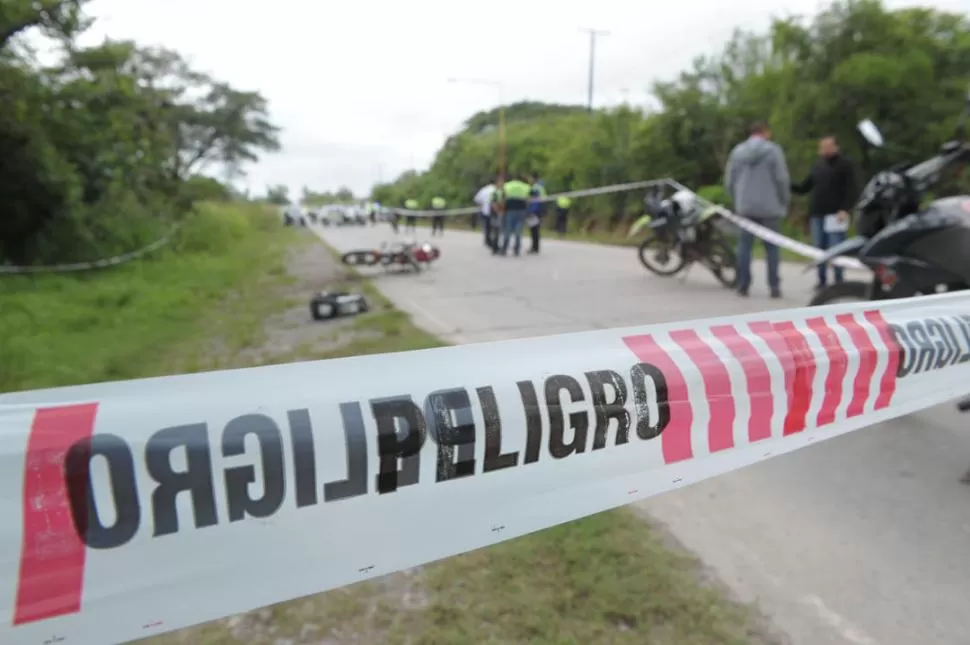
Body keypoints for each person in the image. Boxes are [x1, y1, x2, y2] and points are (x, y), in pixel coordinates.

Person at [725, 121, 791, 299]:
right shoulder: (773, 151)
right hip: (770, 207)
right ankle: (774, 286)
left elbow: (729, 181)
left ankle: (743, 285)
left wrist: (737, 201)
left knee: (744, 247)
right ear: (765, 132)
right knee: (772, 248)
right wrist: (784, 202)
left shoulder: (737, 152)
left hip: (745, 207)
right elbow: (782, 179)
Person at [792, 136, 857, 290]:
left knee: (836, 248)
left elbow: (852, 189)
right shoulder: (818, 166)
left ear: (836, 147)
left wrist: (845, 209)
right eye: (822, 147)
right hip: (817, 214)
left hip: (836, 214)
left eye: (828, 147)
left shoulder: (845, 165)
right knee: (818, 248)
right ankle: (821, 281)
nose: (825, 150)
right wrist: (786, 184)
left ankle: (839, 281)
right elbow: (804, 187)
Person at [495, 173, 531, 257]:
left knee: (508, 230)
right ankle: (517, 250)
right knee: (519, 231)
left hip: (510, 210)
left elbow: (502, 197)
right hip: (522, 210)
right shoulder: (525, 186)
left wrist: (501, 208)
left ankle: (504, 249)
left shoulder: (507, 186)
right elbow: (529, 199)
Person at [527, 172, 547, 254]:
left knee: (534, 229)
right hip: (540, 209)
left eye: (530, 178)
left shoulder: (535, 188)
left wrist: (531, 211)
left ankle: (534, 247)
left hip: (535, 210)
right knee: (536, 229)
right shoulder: (541, 186)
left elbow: (535, 200)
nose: (529, 180)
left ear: (533, 178)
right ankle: (535, 247)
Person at [474, 180, 496, 246]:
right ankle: (494, 240)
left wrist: (481, 204)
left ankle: (487, 240)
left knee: (487, 227)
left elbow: (477, 199)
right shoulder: (496, 190)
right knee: (495, 227)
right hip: (495, 211)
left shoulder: (483, 190)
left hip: (485, 211)